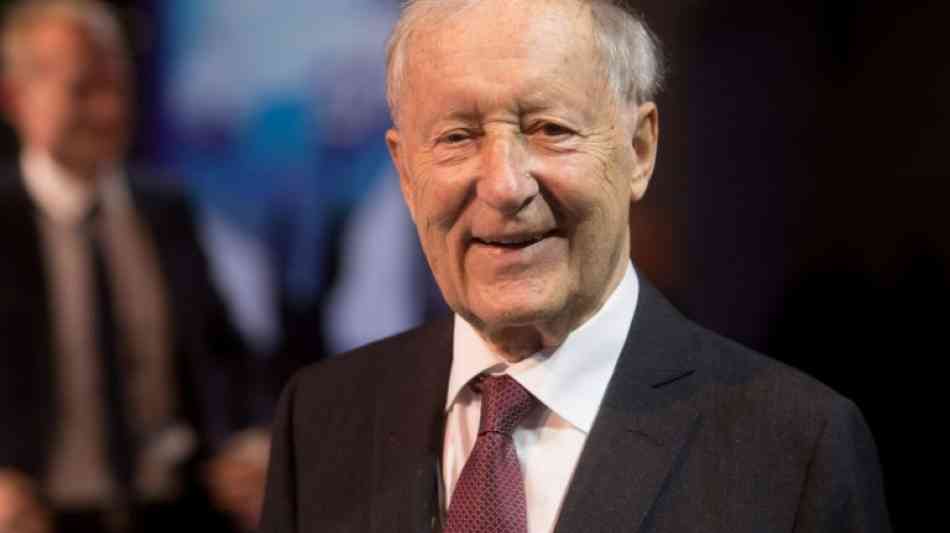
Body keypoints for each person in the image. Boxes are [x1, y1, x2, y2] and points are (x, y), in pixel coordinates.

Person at [259, 0, 891, 532]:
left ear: (639, 150)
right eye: (457, 137)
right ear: (404, 172)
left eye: (549, 128)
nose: (504, 185)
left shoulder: (796, 449)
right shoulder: (318, 419)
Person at [0, 1, 261, 531]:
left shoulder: (166, 210)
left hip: (177, 511)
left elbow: (224, 354)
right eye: (83, 90)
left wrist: (250, 438)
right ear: (16, 98)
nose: (108, 110)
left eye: (118, 87)